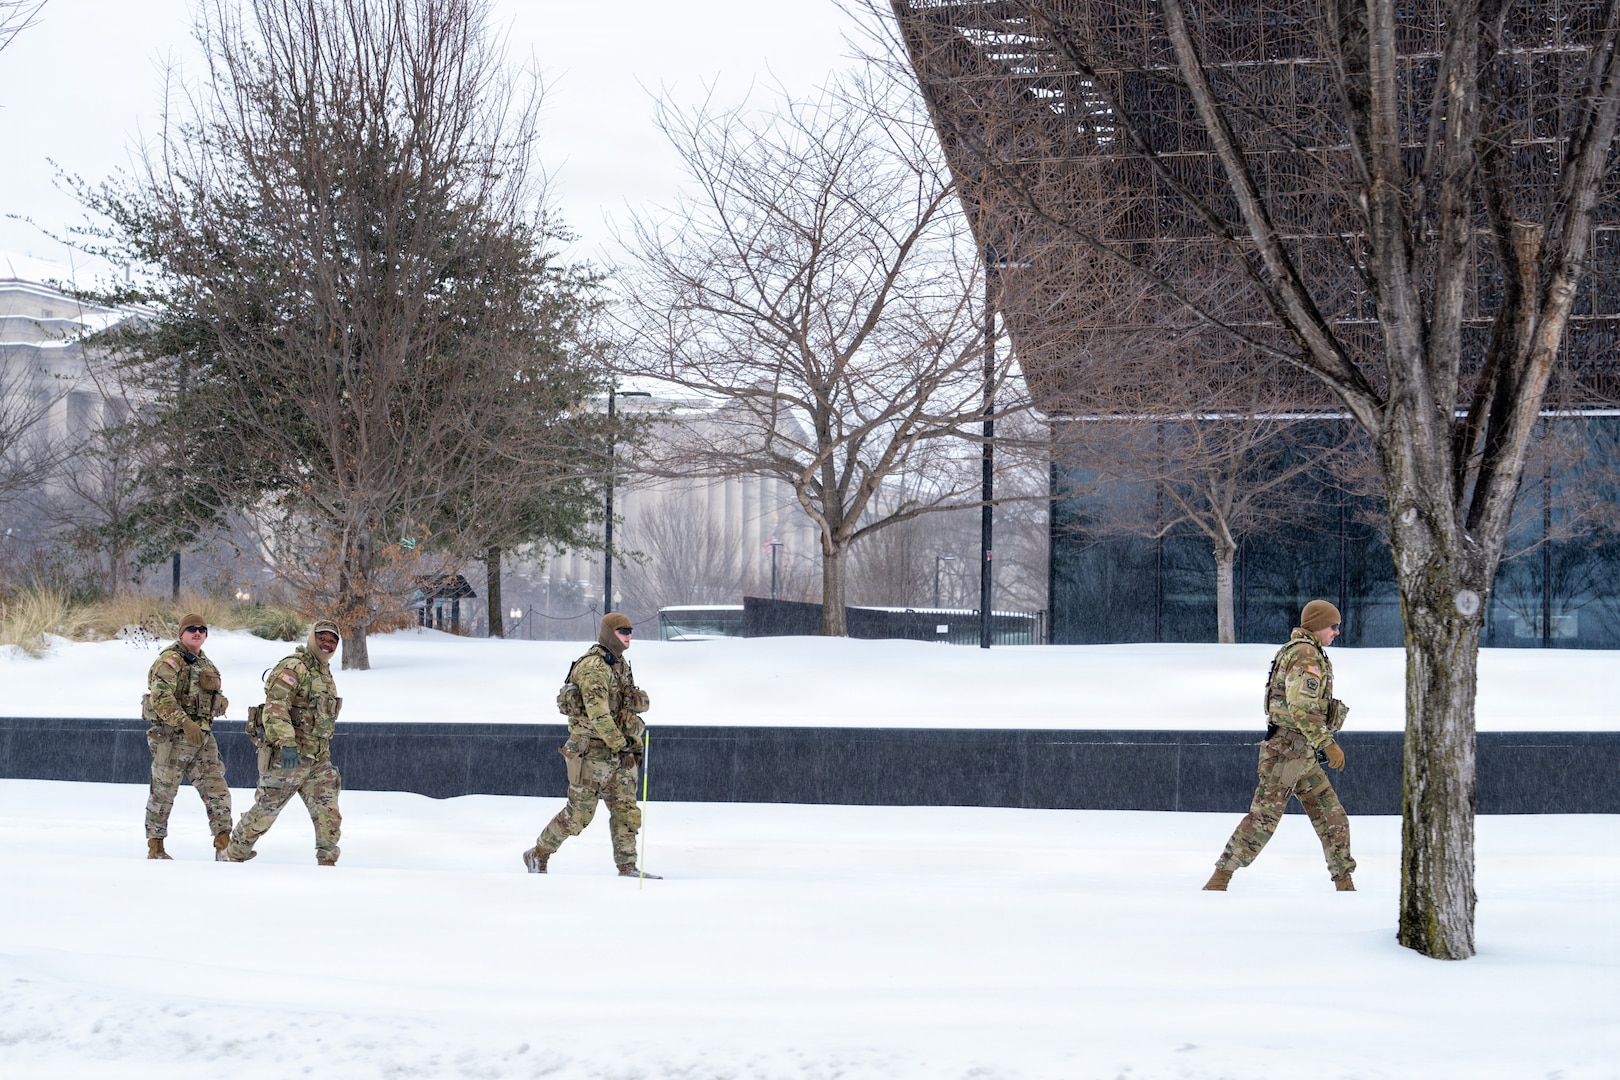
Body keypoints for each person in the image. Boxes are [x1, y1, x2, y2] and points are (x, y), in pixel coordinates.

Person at [1204, 599, 1357, 892]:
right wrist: (1329, 743)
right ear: (1318, 626)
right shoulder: (1306, 656)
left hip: (1301, 753)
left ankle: (1345, 884)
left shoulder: (1306, 652)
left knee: (1332, 817)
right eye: (1333, 626)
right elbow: (1302, 707)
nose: (1336, 632)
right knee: (1264, 819)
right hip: (1287, 753)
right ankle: (1219, 879)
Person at [523, 612, 659, 878]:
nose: (629, 635)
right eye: (623, 630)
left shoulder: (618, 664)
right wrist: (621, 746)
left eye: (631, 630)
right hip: (591, 751)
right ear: (610, 633)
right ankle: (538, 853)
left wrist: (630, 745)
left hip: (619, 750)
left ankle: (627, 866)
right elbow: (599, 715)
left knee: (626, 811)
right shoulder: (593, 667)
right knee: (579, 815)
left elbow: (625, 708)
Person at [223, 619, 344, 865]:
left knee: (328, 815)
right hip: (289, 758)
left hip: (318, 760)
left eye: (332, 640)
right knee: (265, 812)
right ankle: (233, 854)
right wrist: (287, 743)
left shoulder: (324, 673)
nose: (327, 644)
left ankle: (328, 864)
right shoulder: (294, 667)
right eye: (322, 637)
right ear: (312, 638)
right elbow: (275, 708)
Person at [142, 613, 233, 860]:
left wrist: (219, 703)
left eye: (202, 630)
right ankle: (156, 847)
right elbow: (160, 697)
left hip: (202, 739)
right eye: (191, 629)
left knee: (218, 791)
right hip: (172, 737)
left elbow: (213, 696)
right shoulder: (170, 661)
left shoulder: (207, 665)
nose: (197, 633)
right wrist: (184, 722)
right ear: (181, 633)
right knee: (163, 792)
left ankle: (223, 845)